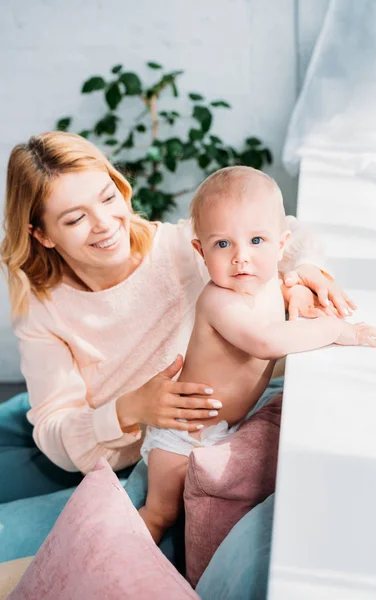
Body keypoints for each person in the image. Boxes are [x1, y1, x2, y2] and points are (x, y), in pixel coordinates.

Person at [0, 131, 355, 565]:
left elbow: (288, 230)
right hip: (97, 438)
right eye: (75, 219)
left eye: (108, 198)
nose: (106, 224)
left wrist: (303, 272)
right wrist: (131, 408)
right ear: (42, 235)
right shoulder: (42, 309)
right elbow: (57, 431)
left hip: (162, 445)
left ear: (121, 188)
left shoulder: (180, 249)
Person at [138, 166, 376, 543]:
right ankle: (122, 565)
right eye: (223, 244)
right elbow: (266, 341)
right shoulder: (219, 300)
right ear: (200, 251)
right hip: (183, 434)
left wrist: (298, 288)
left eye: (256, 240)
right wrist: (339, 330)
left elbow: (284, 295)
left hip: (225, 424)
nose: (241, 258)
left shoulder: (267, 282)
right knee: (161, 514)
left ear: (281, 245)